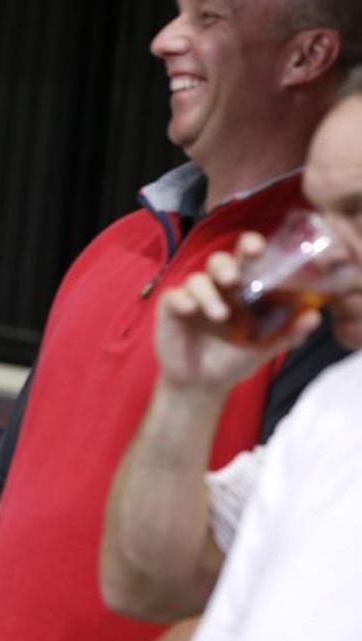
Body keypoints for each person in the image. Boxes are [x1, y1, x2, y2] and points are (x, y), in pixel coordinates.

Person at [0, 1, 362, 639]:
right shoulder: (117, 246)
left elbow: (245, 598)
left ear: (306, 56)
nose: (163, 40)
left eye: (209, 17)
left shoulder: (306, 298)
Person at [101, 66, 362, 640]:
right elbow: (144, 584)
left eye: (359, 212)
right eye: (321, 217)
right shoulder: (336, 405)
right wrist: (189, 390)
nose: (326, 254)